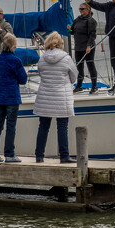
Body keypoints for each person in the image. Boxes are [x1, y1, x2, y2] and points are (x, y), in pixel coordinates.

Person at [33, 31, 77, 164]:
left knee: (43, 126)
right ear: (60, 44)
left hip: (45, 97)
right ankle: (64, 156)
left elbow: (40, 74)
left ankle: (39, 156)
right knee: (62, 126)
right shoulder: (66, 58)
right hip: (61, 97)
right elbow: (74, 76)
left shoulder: (42, 58)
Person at [0, 32, 28, 163]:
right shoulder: (15, 60)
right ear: (14, 45)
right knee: (11, 126)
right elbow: (23, 79)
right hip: (11, 97)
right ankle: (9, 154)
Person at [69, 1, 98, 94]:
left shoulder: (91, 21)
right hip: (78, 47)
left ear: (88, 10)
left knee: (90, 65)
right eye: (79, 9)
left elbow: (92, 35)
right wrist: (68, 28)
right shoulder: (77, 19)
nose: (80, 10)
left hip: (87, 47)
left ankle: (94, 86)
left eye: (82, 9)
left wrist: (89, 45)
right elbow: (72, 31)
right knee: (79, 67)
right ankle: (79, 86)